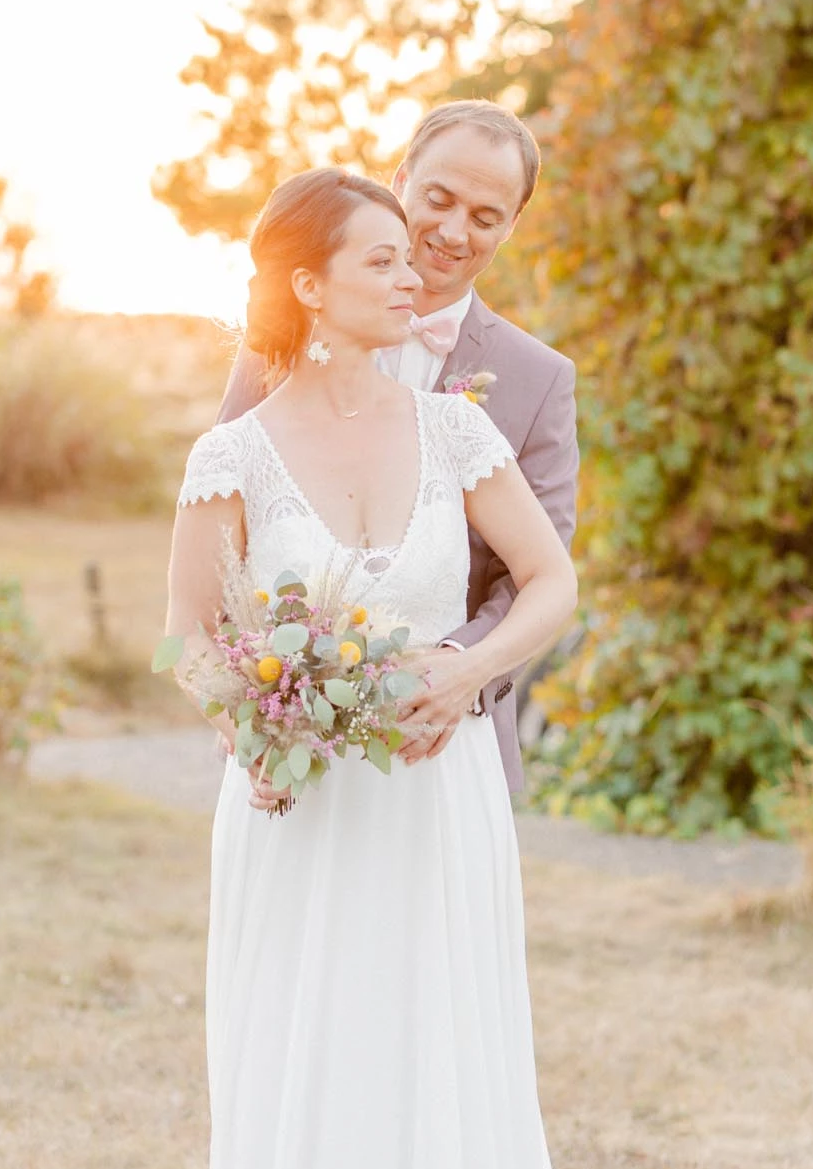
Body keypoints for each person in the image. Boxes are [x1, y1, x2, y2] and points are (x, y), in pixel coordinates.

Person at [141, 167, 645, 1169]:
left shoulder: (458, 435)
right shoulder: (231, 456)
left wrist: (468, 676)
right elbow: (195, 636)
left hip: (435, 796)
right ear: (307, 286)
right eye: (379, 260)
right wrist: (252, 729)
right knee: (310, 1059)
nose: (411, 272)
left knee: (436, 1053)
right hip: (295, 808)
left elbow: (549, 582)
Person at [215, 103, 575, 791]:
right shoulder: (282, 340)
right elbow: (217, 549)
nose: (452, 231)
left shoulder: (540, 382)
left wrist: (456, 669)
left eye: (484, 216)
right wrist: (254, 713)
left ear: (511, 226)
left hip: (439, 745)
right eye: (437, 199)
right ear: (401, 179)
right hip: (292, 742)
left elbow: (538, 571)